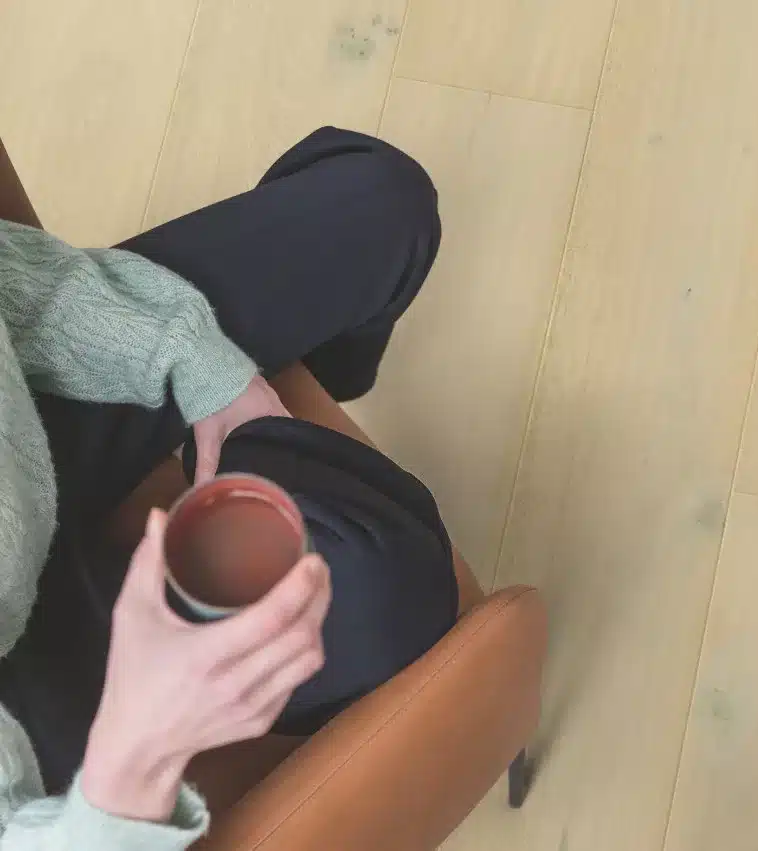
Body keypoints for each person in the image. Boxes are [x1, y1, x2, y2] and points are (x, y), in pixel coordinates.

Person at [0, 126, 441, 849]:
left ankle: (320, 383)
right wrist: (133, 764)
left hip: (23, 420)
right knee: (390, 584)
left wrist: (194, 358)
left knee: (383, 201)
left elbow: (12, 281)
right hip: (32, 731)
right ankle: (298, 434)